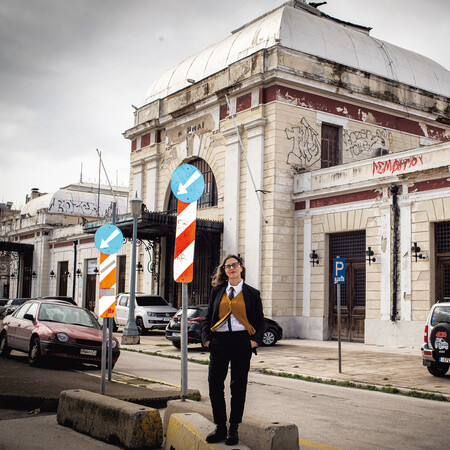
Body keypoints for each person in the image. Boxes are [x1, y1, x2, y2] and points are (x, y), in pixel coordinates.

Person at [201, 254, 265, 446]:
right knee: (214, 385)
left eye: (234, 265)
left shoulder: (252, 293)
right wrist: (207, 340)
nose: (231, 268)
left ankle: (233, 428)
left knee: (238, 387)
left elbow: (260, 321)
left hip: (241, 343)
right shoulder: (217, 291)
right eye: (228, 266)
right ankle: (220, 426)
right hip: (219, 342)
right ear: (225, 270)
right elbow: (208, 317)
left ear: (241, 268)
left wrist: (254, 341)